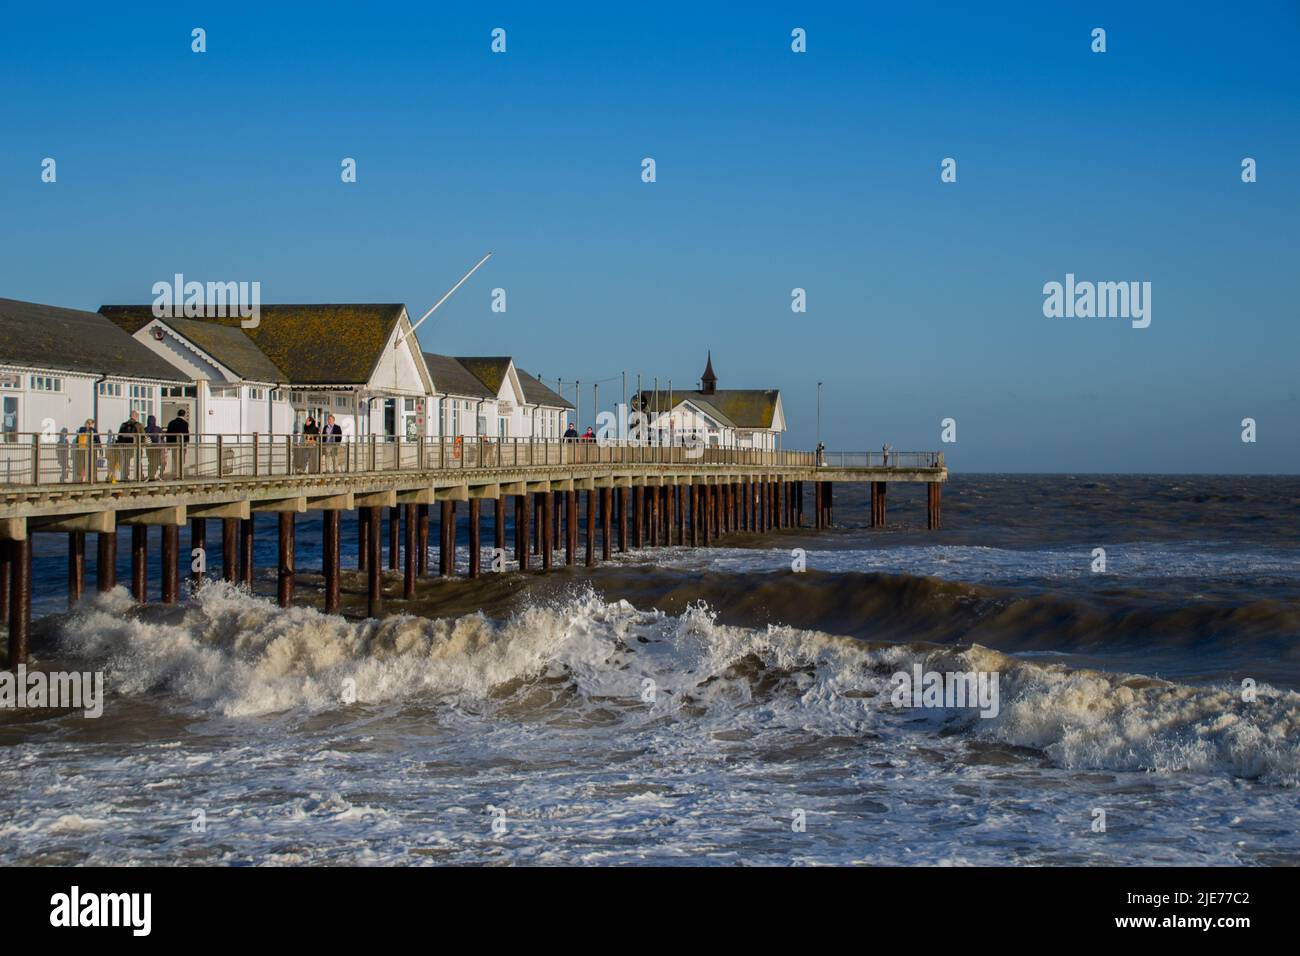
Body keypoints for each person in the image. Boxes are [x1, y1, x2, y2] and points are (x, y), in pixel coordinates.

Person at [115, 410, 144, 481]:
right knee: (138, 461)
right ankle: (138, 476)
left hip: (125, 446)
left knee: (126, 461)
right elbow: (143, 436)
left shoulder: (123, 425)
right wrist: (142, 446)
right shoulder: (139, 425)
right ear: (136, 417)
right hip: (136, 446)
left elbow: (119, 436)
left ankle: (125, 476)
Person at [166, 408, 190, 476]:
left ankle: (175, 473)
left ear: (177, 414)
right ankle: (180, 473)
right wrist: (186, 443)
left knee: (175, 458)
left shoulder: (171, 422)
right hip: (182, 444)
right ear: (184, 415)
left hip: (174, 444)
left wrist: (168, 444)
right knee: (181, 459)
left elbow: (168, 434)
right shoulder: (185, 423)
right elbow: (186, 434)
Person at [144, 414, 164, 479]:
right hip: (157, 448)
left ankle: (150, 475)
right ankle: (153, 474)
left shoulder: (145, 429)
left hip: (148, 448)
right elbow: (162, 437)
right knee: (156, 461)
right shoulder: (158, 429)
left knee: (150, 461)